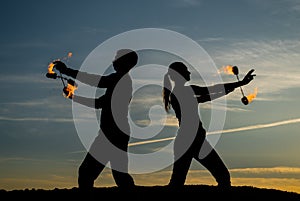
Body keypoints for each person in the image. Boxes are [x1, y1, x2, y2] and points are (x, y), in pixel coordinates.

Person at [53, 49, 138, 191]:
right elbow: (99, 103)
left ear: (124, 62)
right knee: (120, 176)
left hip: (111, 134)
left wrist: (67, 71)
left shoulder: (119, 79)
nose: (113, 61)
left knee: (86, 173)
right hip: (116, 133)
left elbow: (96, 81)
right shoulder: (122, 81)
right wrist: (73, 97)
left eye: (117, 58)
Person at [162, 61, 255, 188]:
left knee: (177, 183)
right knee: (223, 176)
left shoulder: (180, 93)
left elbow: (206, 97)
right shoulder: (186, 90)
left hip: (187, 141)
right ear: (180, 74)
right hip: (193, 141)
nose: (189, 72)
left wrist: (227, 91)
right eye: (186, 70)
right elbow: (209, 90)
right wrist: (241, 83)